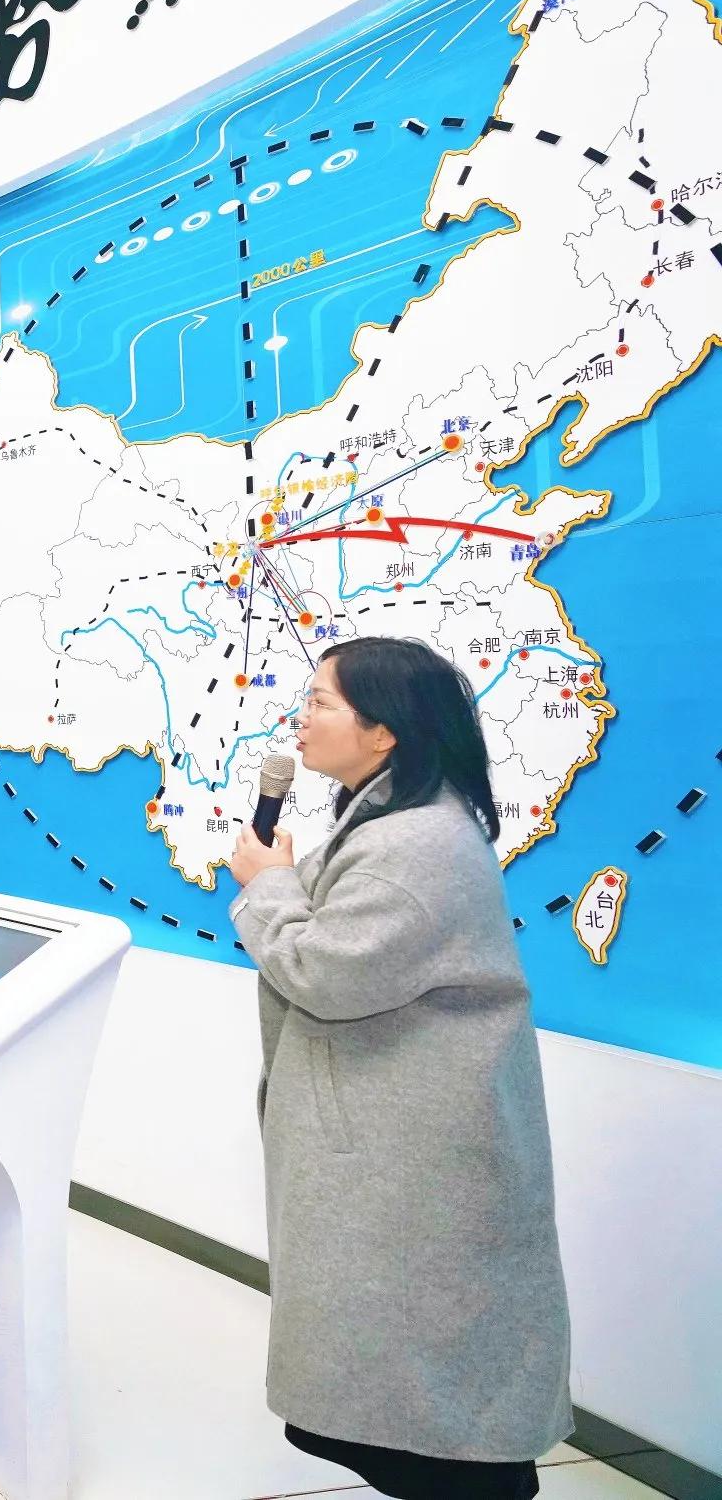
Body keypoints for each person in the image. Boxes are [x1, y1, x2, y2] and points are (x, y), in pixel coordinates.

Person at [227, 636, 571, 1500]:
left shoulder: (417, 845)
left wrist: (267, 885)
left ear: (384, 732)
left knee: (442, 1406)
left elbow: (324, 972)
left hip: (416, 1160)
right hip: (392, 1146)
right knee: (407, 1387)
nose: (300, 719)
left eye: (320, 703)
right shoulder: (387, 822)